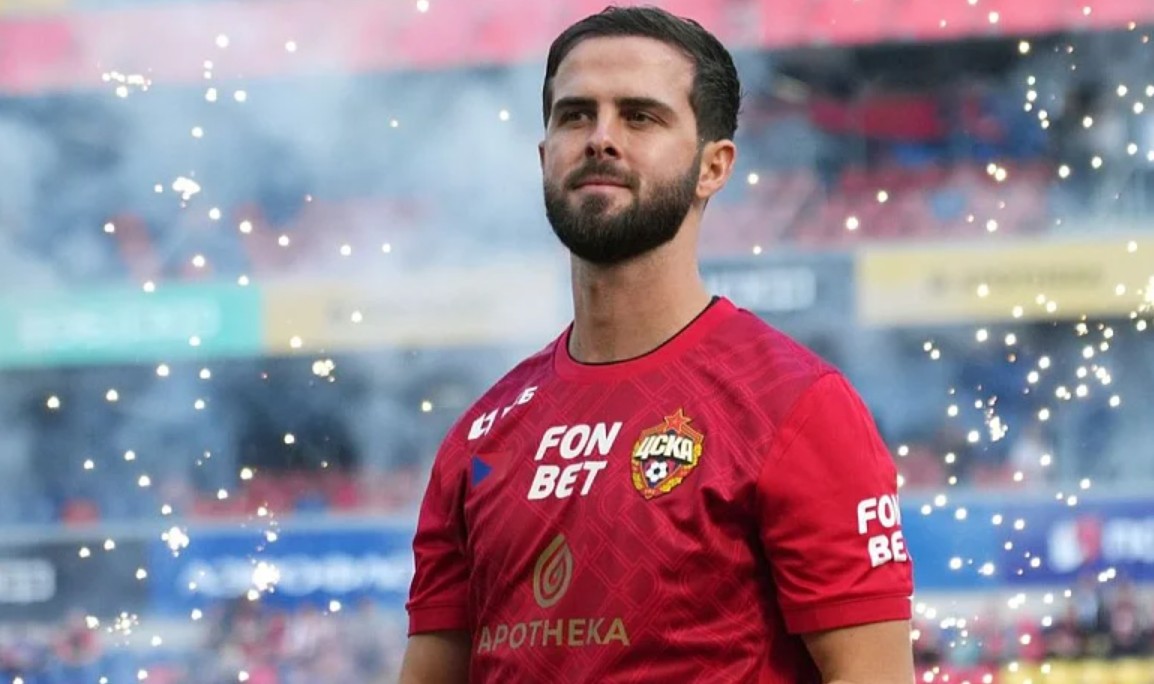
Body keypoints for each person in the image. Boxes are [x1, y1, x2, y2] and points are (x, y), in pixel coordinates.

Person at [399, 6, 915, 682]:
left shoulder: (796, 407)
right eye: (575, 115)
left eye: (640, 116)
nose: (600, 139)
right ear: (545, 155)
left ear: (713, 167)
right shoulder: (479, 437)